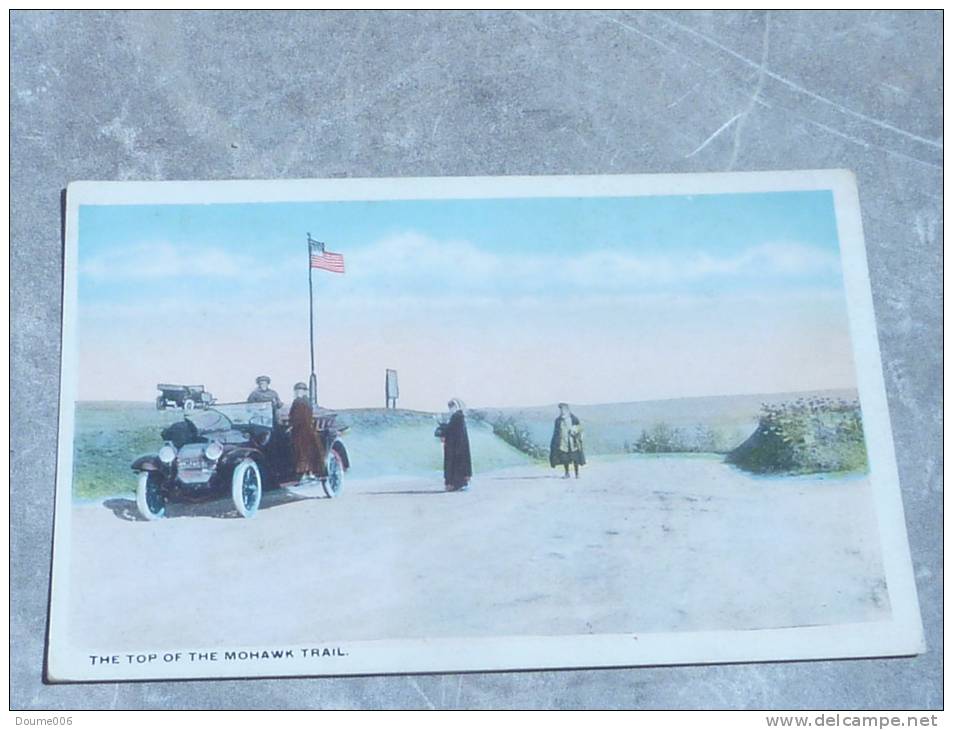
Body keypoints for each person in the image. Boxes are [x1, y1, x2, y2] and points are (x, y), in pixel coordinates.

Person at [288, 381, 327, 480]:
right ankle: (309, 472)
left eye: (300, 390)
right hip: (305, 430)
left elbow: (300, 417)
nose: (298, 392)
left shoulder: (300, 402)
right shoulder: (304, 401)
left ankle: (303, 473)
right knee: (308, 452)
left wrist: (291, 426)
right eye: (297, 390)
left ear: (305, 391)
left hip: (302, 431)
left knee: (302, 452)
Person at [441, 398, 472, 492]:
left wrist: (443, 430)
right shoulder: (458, 416)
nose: (450, 408)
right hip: (456, 446)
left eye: (451, 406)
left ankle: (455, 485)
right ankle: (457, 484)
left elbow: (450, 430)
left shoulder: (457, 417)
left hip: (455, 447)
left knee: (455, 465)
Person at [549, 402, 585, 478]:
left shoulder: (574, 418)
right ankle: (567, 473)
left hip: (573, 442)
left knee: (575, 459)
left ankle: (577, 474)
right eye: (561, 410)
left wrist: (575, 430)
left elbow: (580, 427)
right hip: (563, 443)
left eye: (563, 409)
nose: (562, 411)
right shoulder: (558, 420)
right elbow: (556, 432)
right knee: (565, 459)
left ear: (567, 410)